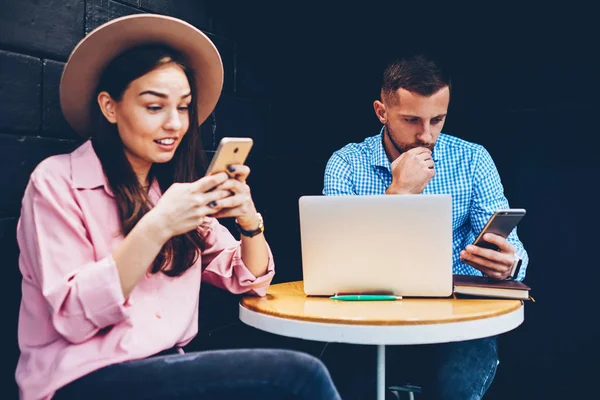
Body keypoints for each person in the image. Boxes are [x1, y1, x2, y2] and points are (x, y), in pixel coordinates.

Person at [15, 14, 341, 400]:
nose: (175, 124)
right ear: (110, 107)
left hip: (168, 367)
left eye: (184, 107)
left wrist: (250, 222)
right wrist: (157, 227)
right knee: (299, 376)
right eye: (154, 107)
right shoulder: (56, 181)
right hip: (82, 378)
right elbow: (72, 317)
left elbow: (246, 279)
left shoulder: (169, 191)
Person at [322, 54, 529, 399]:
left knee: (458, 384)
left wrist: (509, 265)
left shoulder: (472, 159)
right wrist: (399, 193)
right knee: (343, 379)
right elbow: (334, 262)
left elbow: (513, 249)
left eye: (438, 119)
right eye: (411, 120)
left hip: (456, 316)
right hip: (371, 313)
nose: (426, 135)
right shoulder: (346, 163)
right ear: (381, 112)